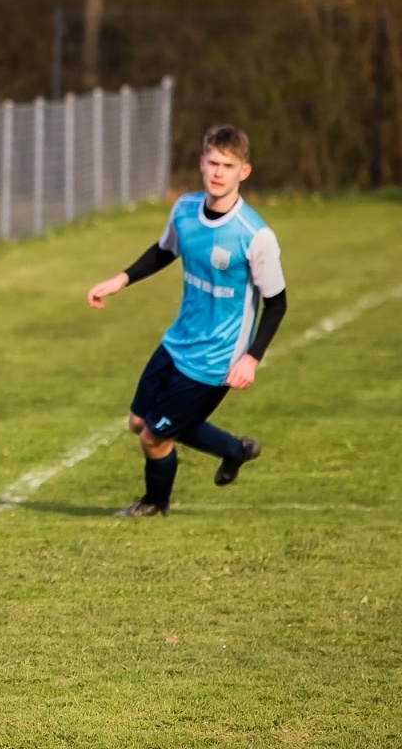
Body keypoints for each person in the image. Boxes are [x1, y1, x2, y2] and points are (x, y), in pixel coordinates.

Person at [86, 125, 287, 517]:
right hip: (179, 340)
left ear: (243, 172)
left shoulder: (255, 235)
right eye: (213, 162)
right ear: (201, 163)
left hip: (216, 358)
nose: (218, 172)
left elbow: (277, 304)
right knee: (139, 420)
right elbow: (165, 251)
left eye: (228, 166)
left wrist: (251, 359)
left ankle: (154, 504)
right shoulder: (184, 211)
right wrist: (121, 280)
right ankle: (234, 449)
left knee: (153, 437)